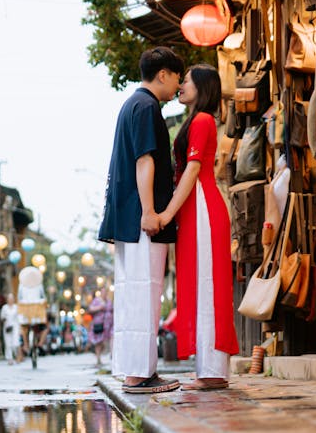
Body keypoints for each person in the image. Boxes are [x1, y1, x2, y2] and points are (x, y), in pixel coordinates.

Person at [98, 46, 184, 395]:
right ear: (162, 73)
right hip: (141, 218)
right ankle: (140, 374)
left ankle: (135, 372)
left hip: (127, 218)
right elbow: (144, 161)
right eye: (177, 76)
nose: (178, 85)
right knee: (145, 292)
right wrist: (150, 211)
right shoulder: (148, 107)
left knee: (135, 293)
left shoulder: (132, 105)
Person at [157, 65, 239, 390]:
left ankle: (214, 372)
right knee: (198, 283)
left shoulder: (202, 120)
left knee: (207, 285)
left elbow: (192, 170)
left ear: (201, 87)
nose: (181, 86)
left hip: (202, 207)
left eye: (186, 81)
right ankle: (207, 369)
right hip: (194, 209)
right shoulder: (195, 120)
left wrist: (166, 214)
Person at [87, 290, 109, 367]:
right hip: (98, 324)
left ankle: (99, 357)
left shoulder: (108, 300)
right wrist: (99, 307)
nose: (104, 293)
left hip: (107, 326)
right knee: (98, 342)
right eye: (103, 292)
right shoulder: (97, 300)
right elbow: (90, 309)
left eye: (106, 292)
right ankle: (98, 358)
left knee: (103, 343)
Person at [0, 292, 21, 364]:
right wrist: (4, 319)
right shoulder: (4, 307)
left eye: (12, 298)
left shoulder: (16, 307)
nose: (10, 300)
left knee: (15, 342)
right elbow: (2, 317)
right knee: (8, 343)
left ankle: (18, 356)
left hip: (15, 326)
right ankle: (10, 358)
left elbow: (19, 318)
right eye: (9, 298)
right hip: (7, 327)